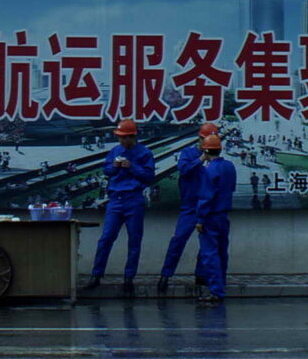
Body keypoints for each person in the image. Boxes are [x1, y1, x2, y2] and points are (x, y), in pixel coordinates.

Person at [83, 119, 155, 295]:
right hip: (116, 200)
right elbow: (106, 170)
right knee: (106, 238)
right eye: (119, 137)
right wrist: (114, 166)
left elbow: (148, 177)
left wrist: (132, 167)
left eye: (124, 137)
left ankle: (129, 278)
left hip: (134, 199)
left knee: (134, 240)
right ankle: (96, 275)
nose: (121, 140)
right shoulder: (115, 151)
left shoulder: (145, 153)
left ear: (132, 136)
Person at [157, 122, 219, 295]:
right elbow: (183, 170)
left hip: (207, 206)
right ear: (199, 138)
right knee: (178, 240)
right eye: (205, 139)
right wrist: (201, 159)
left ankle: (201, 275)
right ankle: (165, 275)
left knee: (206, 243)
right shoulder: (188, 153)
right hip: (190, 206)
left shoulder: (216, 156)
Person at [194, 133, 237, 303]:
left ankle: (216, 291)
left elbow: (206, 197)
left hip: (210, 216)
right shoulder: (229, 166)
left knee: (210, 254)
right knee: (221, 252)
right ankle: (221, 285)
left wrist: (200, 219)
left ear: (205, 151)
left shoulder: (209, 170)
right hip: (223, 215)